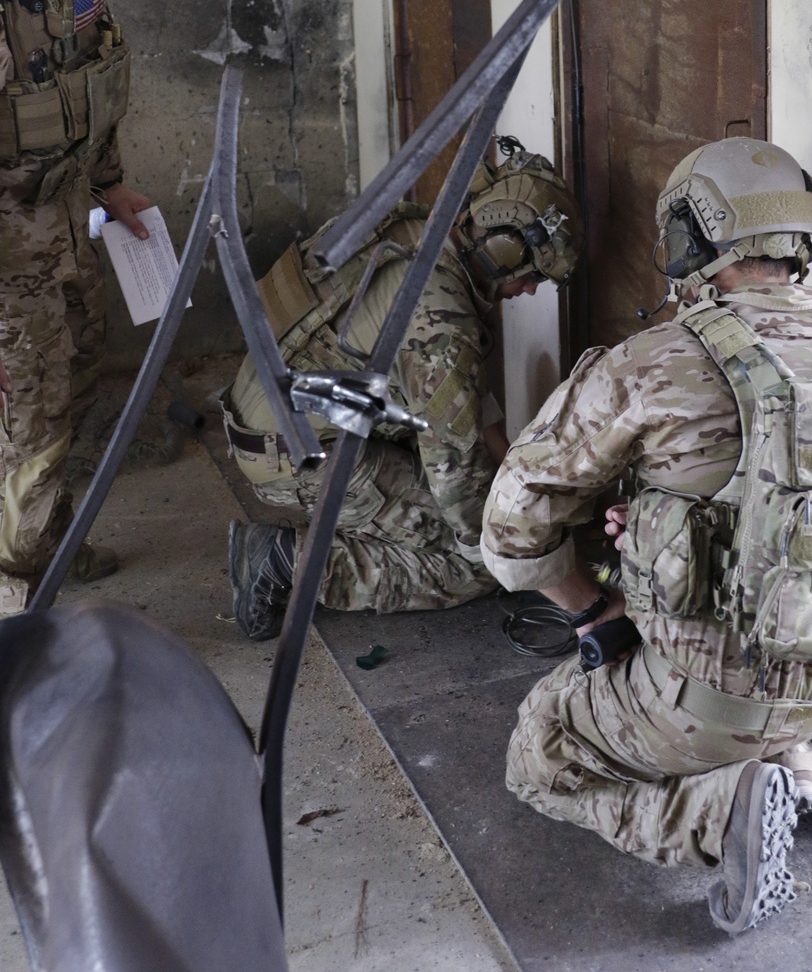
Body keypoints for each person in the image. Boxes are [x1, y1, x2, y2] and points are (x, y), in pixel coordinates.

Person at [480, 137, 812, 935]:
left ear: (693, 238)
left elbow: (512, 521)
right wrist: (657, 523)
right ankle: (782, 774)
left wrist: (592, 609)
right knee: (752, 697)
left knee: (537, 749)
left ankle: (718, 818)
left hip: (702, 700)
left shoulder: (655, 361)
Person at [226, 137, 583, 641]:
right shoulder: (441, 317)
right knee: (482, 564)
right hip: (297, 454)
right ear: (504, 249)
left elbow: (473, 413)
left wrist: (521, 481)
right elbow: (460, 488)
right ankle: (289, 562)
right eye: (532, 275)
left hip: (274, 415)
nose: (528, 290)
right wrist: (554, 575)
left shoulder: (413, 226)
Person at [0, 0, 151, 616]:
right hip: (6, 250)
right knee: (32, 423)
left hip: (62, 221)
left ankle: (44, 542)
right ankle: (17, 604)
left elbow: (91, 76)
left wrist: (109, 183)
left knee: (79, 383)